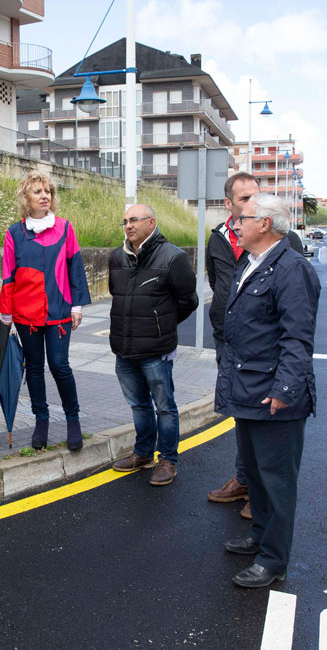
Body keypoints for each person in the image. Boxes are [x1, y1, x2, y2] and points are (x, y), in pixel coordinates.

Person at [217, 193, 320, 588]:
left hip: (275, 395)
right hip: (247, 389)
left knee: (277, 480)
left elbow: (298, 338)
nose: (236, 224)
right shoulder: (251, 261)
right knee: (256, 475)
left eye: (242, 218)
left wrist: (285, 389)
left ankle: (274, 560)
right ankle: (259, 538)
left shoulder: (292, 268)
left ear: (265, 224)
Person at [206, 173, 303, 519]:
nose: (251, 204)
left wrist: (285, 383)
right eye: (243, 199)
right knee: (242, 419)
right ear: (229, 204)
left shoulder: (286, 246)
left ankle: (258, 498)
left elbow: (296, 326)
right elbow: (218, 286)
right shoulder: (219, 240)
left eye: (255, 197)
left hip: (267, 358)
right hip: (230, 346)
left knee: (267, 431)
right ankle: (245, 481)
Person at [0, 170, 91, 450]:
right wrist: (6, 313)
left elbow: (75, 266)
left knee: (60, 365)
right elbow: (8, 274)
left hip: (59, 311)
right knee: (35, 368)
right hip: (27, 314)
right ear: (27, 198)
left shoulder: (65, 227)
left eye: (47, 191)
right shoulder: (14, 232)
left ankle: (73, 420)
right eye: (38, 192)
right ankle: (42, 421)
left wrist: (77, 305)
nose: (44, 196)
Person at [109, 204, 198, 486]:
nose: (128, 226)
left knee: (165, 406)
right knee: (138, 406)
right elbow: (117, 295)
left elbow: (189, 301)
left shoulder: (173, 257)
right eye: (125, 221)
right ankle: (143, 453)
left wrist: (163, 325)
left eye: (134, 220)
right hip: (124, 349)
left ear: (151, 222)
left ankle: (168, 459)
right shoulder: (116, 257)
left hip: (156, 352)